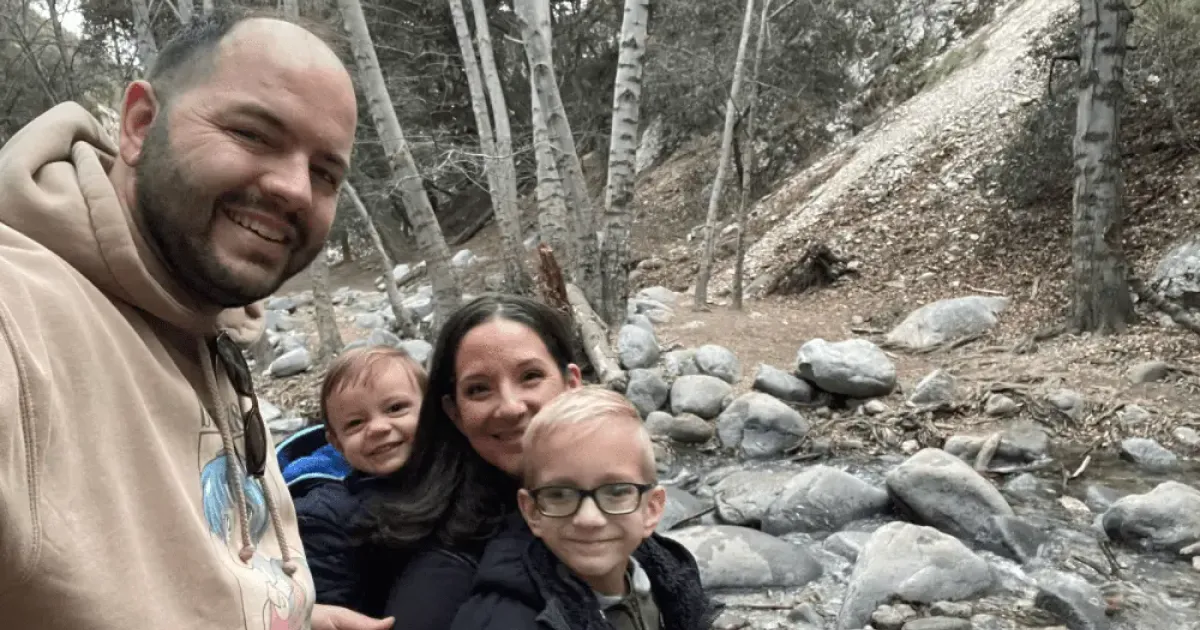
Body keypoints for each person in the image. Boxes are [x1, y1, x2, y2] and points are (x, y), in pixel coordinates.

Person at [0, 7, 389, 630]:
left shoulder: (208, 326)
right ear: (140, 124)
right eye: (254, 134)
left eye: (325, 172)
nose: (294, 188)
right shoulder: (18, 317)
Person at [314, 294, 584, 628]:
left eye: (530, 376)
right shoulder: (445, 557)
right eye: (478, 389)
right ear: (453, 412)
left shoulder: (623, 486)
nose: (511, 406)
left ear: (572, 383)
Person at [448, 387, 718, 630]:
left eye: (616, 491)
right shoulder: (503, 620)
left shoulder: (670, 579)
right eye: (560, 494)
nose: (588, 518)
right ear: (531, 512)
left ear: (652, 509)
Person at [280, 346, 426, 611]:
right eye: (355, 423)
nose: (378, 428)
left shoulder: (462, 472)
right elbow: (332, 608)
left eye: (395, 408)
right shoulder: (323, 517)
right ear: (336, 442)